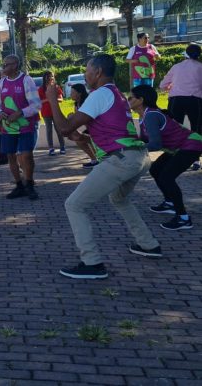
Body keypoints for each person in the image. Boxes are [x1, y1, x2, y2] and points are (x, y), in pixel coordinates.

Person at [45, 54, 162, 279]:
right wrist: (79, 137)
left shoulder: (99, 94)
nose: (86, 74)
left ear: (97, 72)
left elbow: (63, 126)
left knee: (74, 205)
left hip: (120, 160)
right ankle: (149, 244)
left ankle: (92, 263)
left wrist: (52, 99)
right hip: (138, 157)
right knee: (119, 199)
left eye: (87, 69)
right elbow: (87, 131)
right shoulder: (115, 94)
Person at [130, 85, 202, 230]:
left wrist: (133, 148)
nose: (128, 101)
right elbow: (146, 140)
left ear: (140, 100)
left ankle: (183, 218)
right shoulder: (144, 115)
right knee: (156, 169)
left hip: (191, 145)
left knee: (166, 177)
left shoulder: (151, 115)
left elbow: (155, 144)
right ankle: (170, 203)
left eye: (130, 98)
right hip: (178, 148)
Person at [0, 54, 41, 200]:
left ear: (15, 65)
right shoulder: (2, 83)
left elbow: (36, 105)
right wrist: (0, 113)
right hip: (8, 128)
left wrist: (20, 113)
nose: (3, 67)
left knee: (26, 155)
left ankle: (30, 184)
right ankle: (19, 186)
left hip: (26, 126)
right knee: (10, 156)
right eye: (3, 64)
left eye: (6, 64)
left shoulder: (26, 80)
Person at [160, 43, 202, 170]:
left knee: (174, 128)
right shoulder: (200, 67)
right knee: (197, 129)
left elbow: (163, 85)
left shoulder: (177, 66)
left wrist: (169, 87)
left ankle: (171, 156)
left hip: (176, 100)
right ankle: (196, 159)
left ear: (186, 54)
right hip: (196, 100)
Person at [69, 84, 99, 168]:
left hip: (96, 129)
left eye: (72, 92)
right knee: (78, 139)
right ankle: (94, 160)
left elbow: (85, 118)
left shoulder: (86, 102)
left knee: (85, 139)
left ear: (79, 93)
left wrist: (73, 117)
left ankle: (100, 159)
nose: (70, 94)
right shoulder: (76, 104)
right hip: (88, 128)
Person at [38, 71, 66, 156]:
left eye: (51, 76)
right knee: (49, 130)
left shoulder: (56, 88)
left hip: (56, 111)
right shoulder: (41, 89)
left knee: (59, 129)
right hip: (46, 112)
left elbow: (61, 99)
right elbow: (39, 102)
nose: (50, 78)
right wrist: (48, 99)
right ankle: (51, 148)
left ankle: (62, 147)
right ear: (45, 78)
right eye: (48, 77)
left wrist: (54, 99)